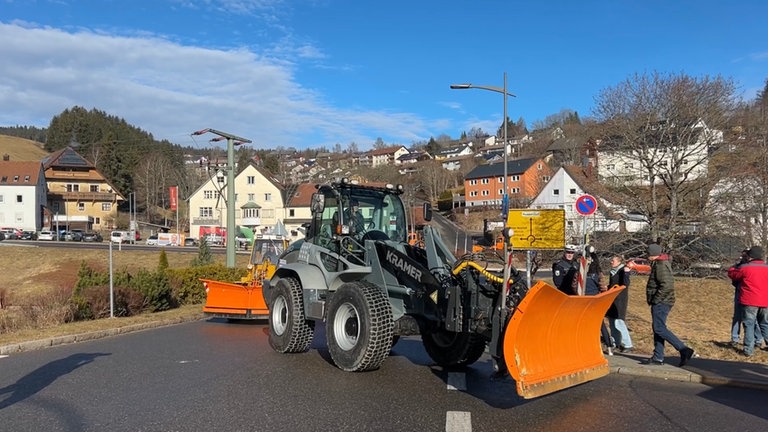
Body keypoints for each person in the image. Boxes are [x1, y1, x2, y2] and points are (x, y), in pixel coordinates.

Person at [644, 243, 695, 367]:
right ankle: (658, 357)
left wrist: (656, 299)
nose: (646, 256)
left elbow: (667, 285)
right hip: (662, 301)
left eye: (648, 253)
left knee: (659, 328)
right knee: (658, 328)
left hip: (662, 301)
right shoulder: (658, 263)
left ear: (653, 254)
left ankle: (683, 349)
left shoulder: (661, 265)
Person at [727, 245, 768, 357]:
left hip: (749, 301)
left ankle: (748, 350)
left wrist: (733, 267)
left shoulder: (745, 268)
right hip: (765, 301)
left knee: (749, 324)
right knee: (764, 324)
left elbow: (733, 274)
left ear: (751, 256)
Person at [606, 255, 633, 352]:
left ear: (619, 262)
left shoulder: (622, 271)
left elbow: (626, 283)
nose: (611, 262)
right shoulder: (613, 272)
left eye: (613, 260)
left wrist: (627, 273)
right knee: (612, 322)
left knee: (619, 322)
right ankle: (615, 343)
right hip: (612, 300)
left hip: (620, 300)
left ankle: (628, 344)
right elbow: (612, 285)